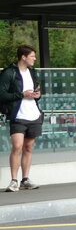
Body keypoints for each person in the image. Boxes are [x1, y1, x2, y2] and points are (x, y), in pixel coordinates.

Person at [0, 45, 44, 191]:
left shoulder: (32, 72)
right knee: (17, 146)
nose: (35, 59)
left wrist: (37, 95)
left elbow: (36, 90)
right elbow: (2, 94)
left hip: (33, 114)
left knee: (28, 147)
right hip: (18, 115)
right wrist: (21, 94)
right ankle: (13, 181)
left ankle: (25, 179)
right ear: (23, 57)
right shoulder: (9, 73)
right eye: (32, 56)